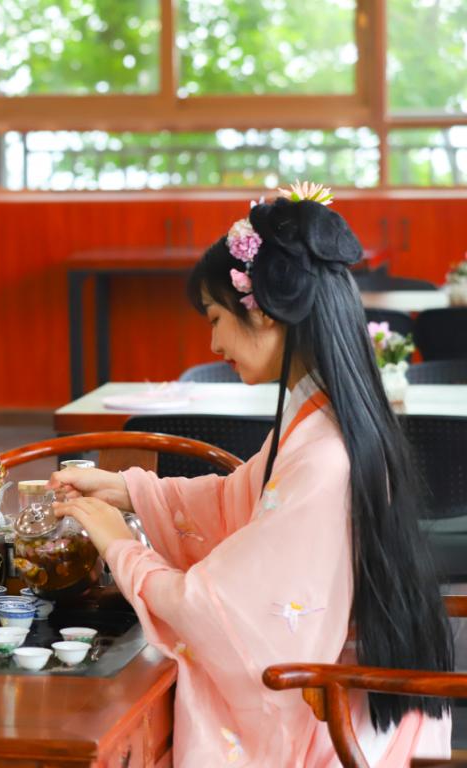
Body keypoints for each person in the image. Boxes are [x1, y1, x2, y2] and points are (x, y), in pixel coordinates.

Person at [49, 184, 453, 766]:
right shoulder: (323, 416)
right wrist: (129, 491)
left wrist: (119, 545)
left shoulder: (323, 450)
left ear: (261, 311)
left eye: (216, 318)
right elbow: (241, 498)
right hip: (356, 690)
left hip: (335, 717)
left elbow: (219, 609)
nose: (214, 342)